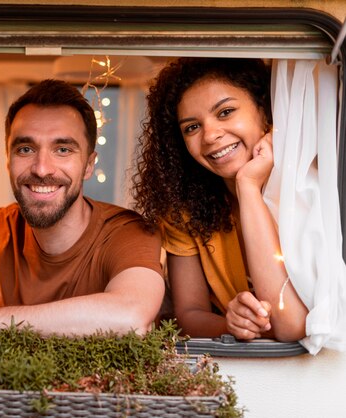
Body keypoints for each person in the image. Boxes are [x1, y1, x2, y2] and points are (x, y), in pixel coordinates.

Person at [0, 79, 164, 336]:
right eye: (26, 149)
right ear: (8, 161)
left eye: (62, 149)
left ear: (88, 165)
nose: (42, 168)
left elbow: (131, 317)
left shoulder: (128, 232)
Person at [133, 57, 308, 342]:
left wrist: (248, 185)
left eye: (225, 112)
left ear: (264, 110)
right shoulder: (183, 210)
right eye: (192, 127)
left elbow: (288, 324)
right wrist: (231, 325)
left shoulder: (308, 188)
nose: (210, 135)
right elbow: (189, 313)